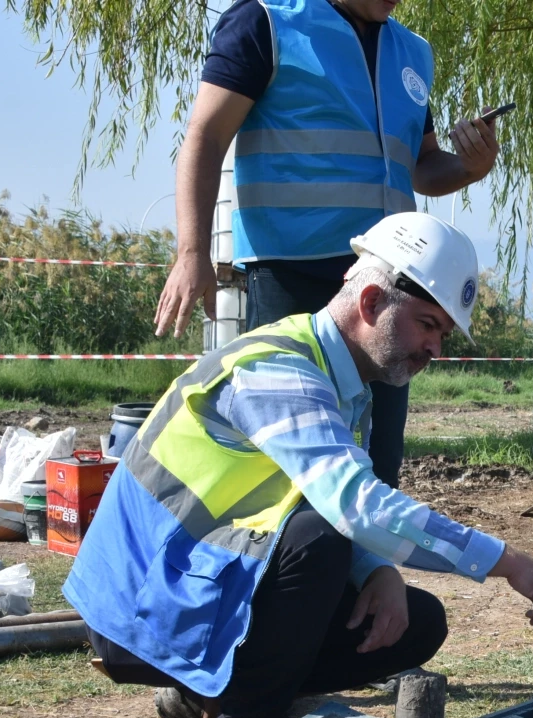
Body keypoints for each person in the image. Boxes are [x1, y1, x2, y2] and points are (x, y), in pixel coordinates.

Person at [70, 214, 533, 718]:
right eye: (428, 324)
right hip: (141, 605)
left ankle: (207, 694)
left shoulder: (345, 387)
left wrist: (378, 571)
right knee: (321, 540)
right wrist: (510, 563)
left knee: (415, 623)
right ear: (371, 302)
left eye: (444, 334)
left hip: (198, 583)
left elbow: (325, 500)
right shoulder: (279, 369)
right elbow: (354, 506)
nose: (435, 348)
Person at [153, 0, 502, 489]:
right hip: (291, 276)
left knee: (377, 464)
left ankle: (370, 541)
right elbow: (205, 135)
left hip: (388, 284)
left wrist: (470, 166)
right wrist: (192, 252)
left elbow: (421, 168)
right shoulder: (266, 21)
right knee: (283, 460)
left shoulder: (413, 52)